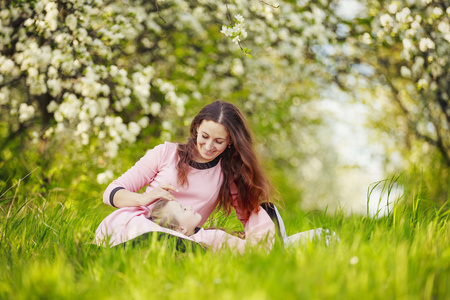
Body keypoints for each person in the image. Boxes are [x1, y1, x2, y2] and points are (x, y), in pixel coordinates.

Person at [94, 100, 279, 249]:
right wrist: (144, 199)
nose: (208, 146)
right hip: (141, 226)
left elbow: (249, 214)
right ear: (197, 127)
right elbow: (110, 193)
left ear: (230, 141)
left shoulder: (228, 172)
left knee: (205, 241)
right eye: (205, 136)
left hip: (185, 236)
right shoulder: (166, 153)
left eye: (219, 141)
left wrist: (262, 242)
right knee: (150, 236)